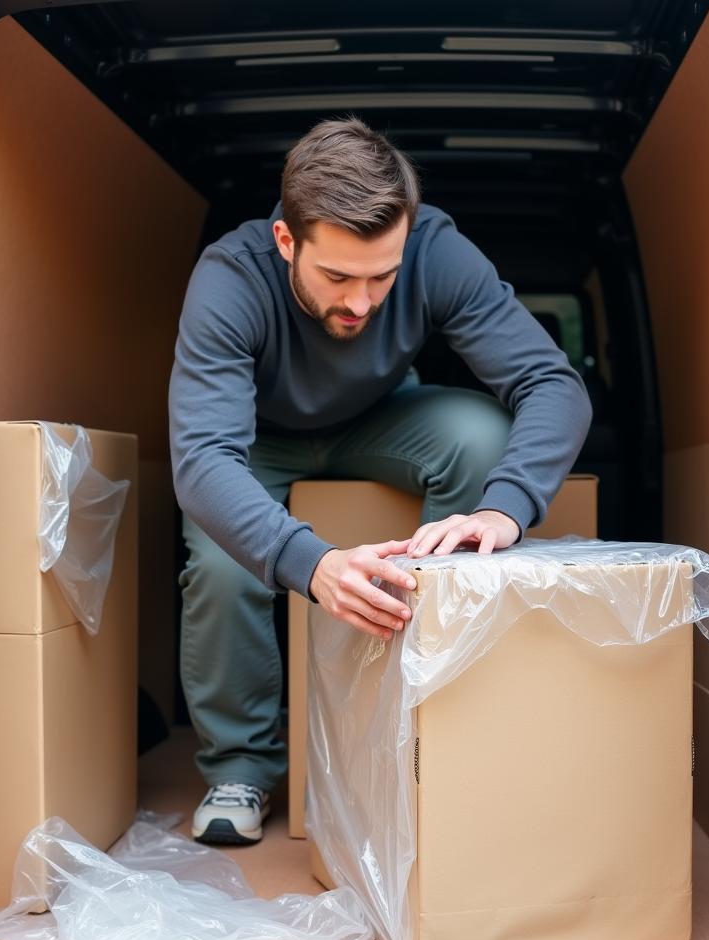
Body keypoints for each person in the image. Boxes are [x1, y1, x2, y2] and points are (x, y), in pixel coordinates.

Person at [169, 117, 592, 844]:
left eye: (382, 278)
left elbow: (553, 384)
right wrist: (314, 563)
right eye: (337, 277)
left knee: (482, 437)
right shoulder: (230, 277)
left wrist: (506, 510)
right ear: (286, 242)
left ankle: (438, 724)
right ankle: (241, 762)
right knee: (218, 561)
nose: (362, 304)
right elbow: (203, 460)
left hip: (380, 418)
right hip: (256, 441)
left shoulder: (435, 249)